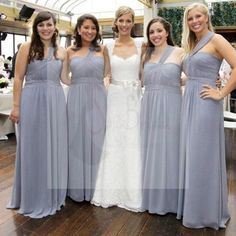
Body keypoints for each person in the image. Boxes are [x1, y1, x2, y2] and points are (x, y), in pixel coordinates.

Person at [177, 2, 236, 229]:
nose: (195, 21)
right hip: (189, 100)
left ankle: (205, 212)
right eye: (190, 18)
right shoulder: (192, 44)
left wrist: (221, 92)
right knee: (192, 155)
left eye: (198, 16)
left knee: (203, 154)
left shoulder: (216, 39)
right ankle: (195, 207)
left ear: (206, 17)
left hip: (205, 102)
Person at [7, 11, 70, 218]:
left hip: (55, 100)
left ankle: (51, 194)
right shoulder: (27, 48)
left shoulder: (62, 52)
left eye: (49, 25)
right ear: (35, 28)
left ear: (55, 26)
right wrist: (16, 107)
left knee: (53, 147)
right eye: (41, 25)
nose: (45, 28)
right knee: (33, 147)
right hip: (32, 99)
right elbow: (17, 78)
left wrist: (93, 80)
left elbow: (65, 79)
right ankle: (32, 196)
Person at [91, 6, 143, 212]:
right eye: (121, 21)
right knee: (113, 139)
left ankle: (134, 192)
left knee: (133, 140)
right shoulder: (108, 46)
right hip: (114, 97)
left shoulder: (142, 44)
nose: (124, 25)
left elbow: (147, 71)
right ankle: (110, 190)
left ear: (133, 23)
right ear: (115, 22)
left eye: (128, 21)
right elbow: (105, 73)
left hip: (134, 97)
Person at [141, 17, 184, 215]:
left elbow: (191, 75)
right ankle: (152, 197)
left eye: (159, 31)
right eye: (151, 32)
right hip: (149, 106)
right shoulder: (146, 53)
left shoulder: (180, 52)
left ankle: (171, 200)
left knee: (171, 150)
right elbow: (140, 80)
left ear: (167, 32)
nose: (155, 35)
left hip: (171, 106)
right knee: (151, 149)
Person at [67, 14, 109, 202]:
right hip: (76, 98)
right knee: (76, 140)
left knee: (96, 140)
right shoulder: (69, 51)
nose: (89, 31)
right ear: (78, 29)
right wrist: (77, 84)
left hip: (98, 98)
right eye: (86, 27)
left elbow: (108, 74)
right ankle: (76, 188)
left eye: (93, 28)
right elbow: (62, 77)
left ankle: (95, 188)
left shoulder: (103, 50)